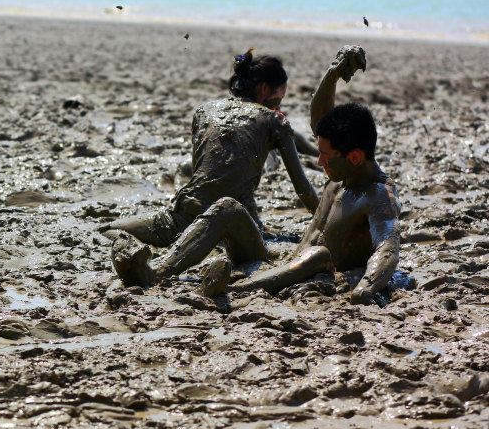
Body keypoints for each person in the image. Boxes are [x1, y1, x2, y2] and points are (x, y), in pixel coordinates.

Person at [201, 46, 401, 305]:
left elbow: (387, 249)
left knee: (318, 254)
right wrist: (333, 73)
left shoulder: (378, 195)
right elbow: (320, 116)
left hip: (316, 273)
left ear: (354, 157)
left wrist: (365, 288)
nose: (318, 162)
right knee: (227, 208)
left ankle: (233, 290)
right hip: (284, 264)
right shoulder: (343, 173)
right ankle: (159, 269)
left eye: (325, 156)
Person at [110, 49, 319, 287]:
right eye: (280, 97)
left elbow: (204, 171)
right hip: (228, 221)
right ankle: (157, 273)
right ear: (264, 90)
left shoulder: (204, 110)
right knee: (226, 211)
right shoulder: (274, 120)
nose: (280, 104)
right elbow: (303, 189)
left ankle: (123, 243)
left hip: (185, 214)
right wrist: (323, 223)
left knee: (111, 228)